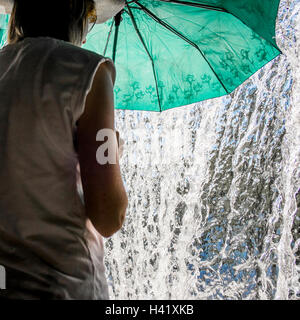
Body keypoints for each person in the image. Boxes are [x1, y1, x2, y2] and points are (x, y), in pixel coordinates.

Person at [0, 0, 128, 299]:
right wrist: (114, 154)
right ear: (77, 15)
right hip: (64, 286)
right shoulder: (89, 70)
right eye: (91, 16)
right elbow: (109, 216)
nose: (86, 34)